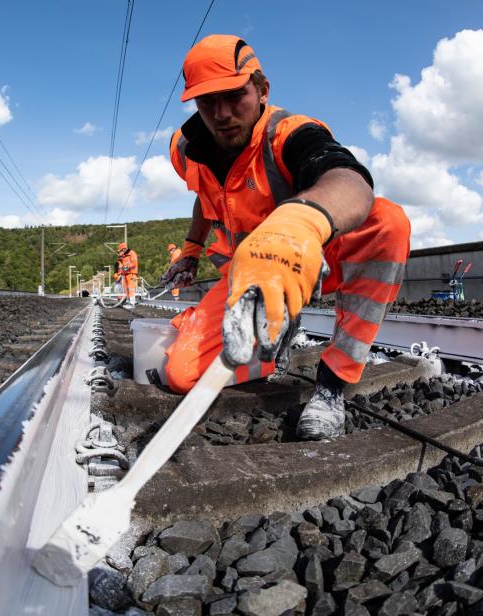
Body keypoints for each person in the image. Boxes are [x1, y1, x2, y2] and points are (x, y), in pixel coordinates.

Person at [161, 34, 411, 440]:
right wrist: (191, 249)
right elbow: (204, 194)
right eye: (208, 101)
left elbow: (347, 180)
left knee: (387, 222)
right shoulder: (185, 148)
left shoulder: (290, 133)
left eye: (234, 95)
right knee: (182, 373)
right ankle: (275, 334)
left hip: (307, 260)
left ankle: (332, 385)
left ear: (261, 90)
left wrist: (300, 226)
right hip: (246, 274)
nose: (222, 113)